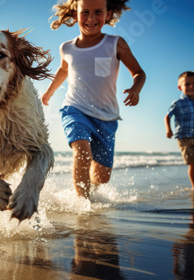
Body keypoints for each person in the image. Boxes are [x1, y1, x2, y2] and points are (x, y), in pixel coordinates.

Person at [42, 0, 146, 198]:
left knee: (102, 176)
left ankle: (90, 188)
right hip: (75, 109)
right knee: (82, 152)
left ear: (108, 15)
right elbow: (63, 70)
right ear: (75, 15)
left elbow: (139, 72)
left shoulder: (115, 44)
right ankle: (82, 204)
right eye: (85, 12)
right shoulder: (67, 48)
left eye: (98, 12)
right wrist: (49, 91)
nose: (91, 18)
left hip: (106, 116)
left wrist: (136, 88)